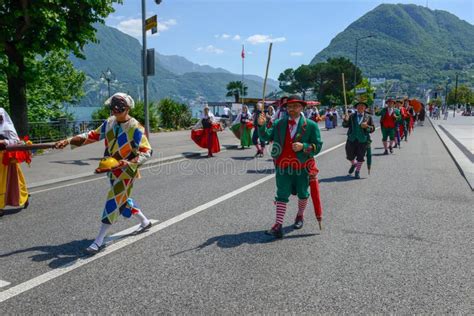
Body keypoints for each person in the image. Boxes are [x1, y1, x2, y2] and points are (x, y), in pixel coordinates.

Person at [55, 93, 152, 254]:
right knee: (122, 199)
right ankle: (144, 221)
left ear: (127, 108)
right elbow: (92, 135)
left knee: (113, 199)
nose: (115, 110)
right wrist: (68, 141)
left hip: (127, 171)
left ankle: (99, 240)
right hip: (111, 169)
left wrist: (130, 162)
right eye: (113, 107)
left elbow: (147, 151)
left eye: (119, 107)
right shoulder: (109, 123)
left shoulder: (136, 127)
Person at [257, 95, 323, 238]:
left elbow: (317, 146)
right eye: (289, 106)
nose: (292, 109)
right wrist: (261, 126)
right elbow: (266, 137)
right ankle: (278, 225)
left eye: (296, 106)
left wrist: (304, 146)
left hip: (302, 166)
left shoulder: (311, 125)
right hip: (283, 166)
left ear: (302, 108)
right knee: (281, 194)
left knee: (303, 194)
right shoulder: (279, 123)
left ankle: (300, 216)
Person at [0, 108, 30, 217]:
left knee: (11, 181)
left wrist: (3, 141)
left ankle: (1, 206)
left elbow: (15, 141)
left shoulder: (7, 127)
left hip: (6, 158)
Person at [342, 101, 376, 179]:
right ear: (356, 108)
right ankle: (354, 164)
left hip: (363, 140)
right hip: (351, 138)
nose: (360, 107)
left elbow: (372, 129)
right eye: (359, 106)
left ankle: (357, 171)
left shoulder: (368, 117)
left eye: (362, 106)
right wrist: (345, 120)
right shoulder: (351, 116)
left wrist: (367, 126)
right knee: (349, 155)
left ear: (365, 108)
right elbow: (345, 126)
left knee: (361, 156)